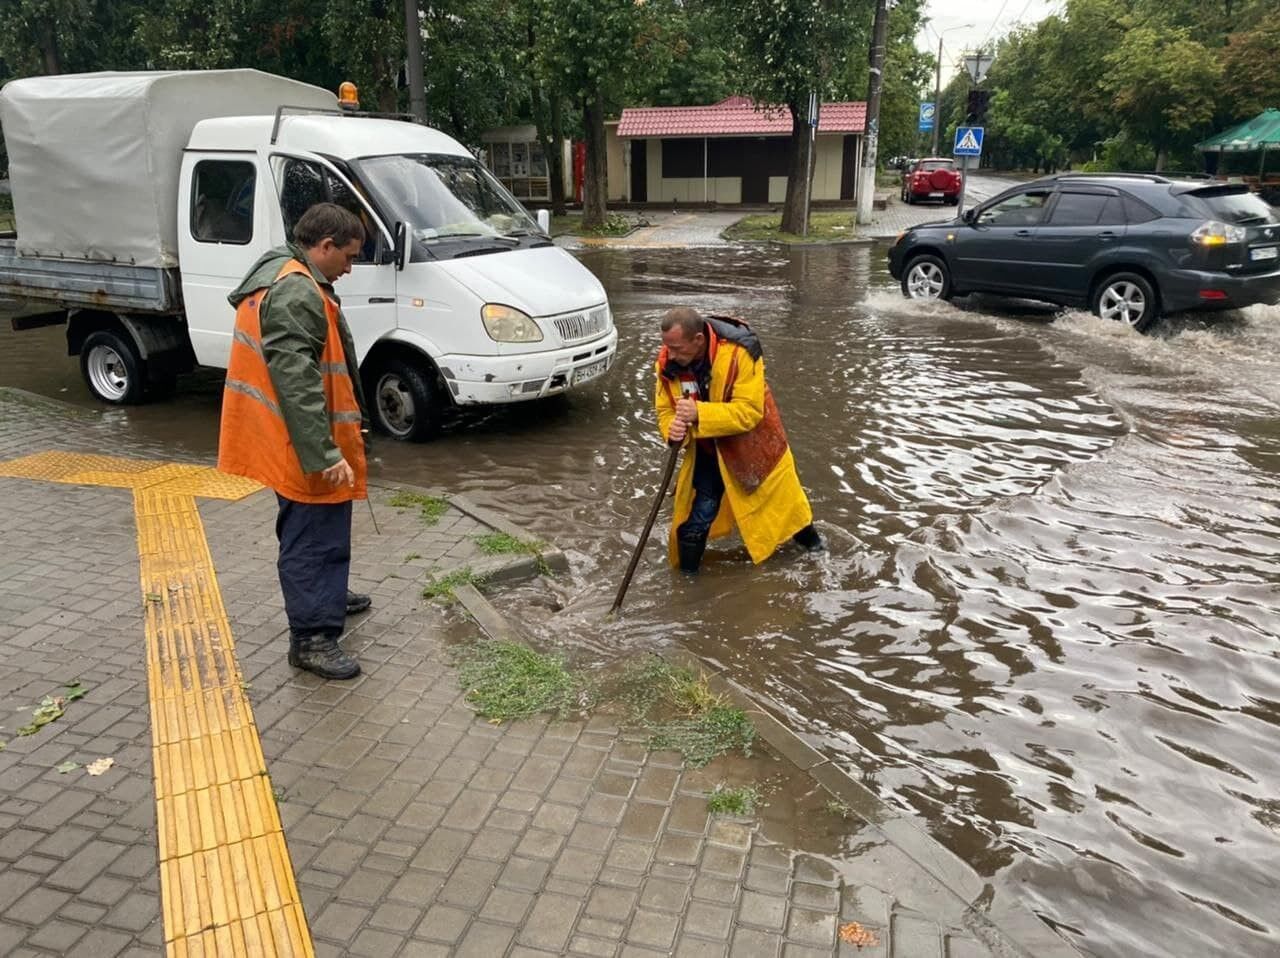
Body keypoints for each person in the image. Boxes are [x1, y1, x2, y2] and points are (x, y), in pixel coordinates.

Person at [218, 202, 372, 680]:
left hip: (287, 438)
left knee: (318, 528)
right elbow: (297, 382)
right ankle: (311, 639)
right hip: (302, 445)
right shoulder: (296, 293)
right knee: (311, 537)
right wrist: (325, 453)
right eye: (348, 256)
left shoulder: (282, 272)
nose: (350, 268)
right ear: (323, 246)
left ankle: (327, 593)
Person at [654, 307, 823, 574]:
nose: (669, 354)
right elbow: (665, 409)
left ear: (698, 340)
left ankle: (818, 552)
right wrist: (672, 430)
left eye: (677, 348)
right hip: (709, 451)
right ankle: (688, 587)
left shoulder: (742, 352)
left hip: (755, 447)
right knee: (694, 524)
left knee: (787, 511)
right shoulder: (668, 362)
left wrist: (700, 413)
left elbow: (750, 411)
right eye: (667, 347)